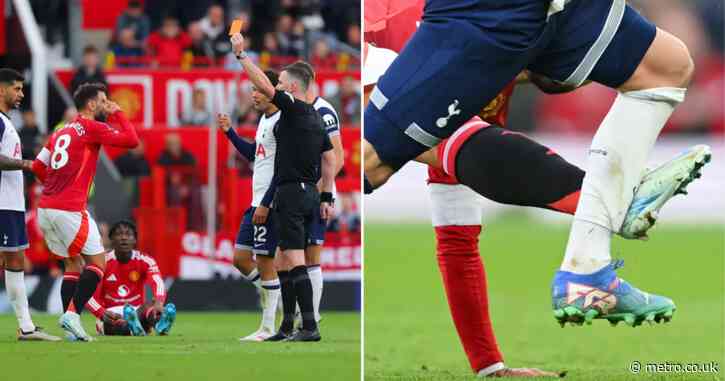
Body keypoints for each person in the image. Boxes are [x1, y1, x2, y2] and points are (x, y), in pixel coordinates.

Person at [363, 3, 711, 376]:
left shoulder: (496, 59)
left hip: (522, 17)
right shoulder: (399, 31)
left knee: (664, 66)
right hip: (406, 39)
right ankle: (596, 250)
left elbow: (457, 229)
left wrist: (489, 366)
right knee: (372, 160)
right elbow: (456, 230)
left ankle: (590, 265)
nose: (572, 76)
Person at [231, 32, 337, 342]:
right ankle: (286, 327)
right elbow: (329, 159)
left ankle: (309, 327)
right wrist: (327, 195)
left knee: (293, 261)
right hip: (309, 193)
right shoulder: (318, 118)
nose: (275, 88)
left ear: (291, 88)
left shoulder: (292, 108)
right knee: (281, 261)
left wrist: (241, 55)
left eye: (281, 84)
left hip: (290, 192)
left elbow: (264, 85)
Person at [32, 83, 140, 341]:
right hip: (70, 209)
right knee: (97, 264)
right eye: (103, 100)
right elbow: (131, 140)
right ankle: (71, 316)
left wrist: (54, 185)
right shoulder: (91, 127)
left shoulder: (60, 131)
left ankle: (71, 326)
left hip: (46, 208)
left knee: (72, 263)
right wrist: (117, 113)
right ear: (91, 105)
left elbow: (37, 166)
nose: (106, 104)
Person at [217, 70, 282, 341]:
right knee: (241, 260)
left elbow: (283, 167)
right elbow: (253, 154)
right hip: (255, 202)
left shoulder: (282, 122)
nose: (253, 95)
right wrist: (230, 132)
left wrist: (267, 203)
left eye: (257, 89)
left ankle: (267, 327)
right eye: (252, 90)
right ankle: (275, 293)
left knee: (266, 262)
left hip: (269, 203)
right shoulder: (264, 120)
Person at [0, 68, 60, 341]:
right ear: (2, 90)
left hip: (10, 203)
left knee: (15, 260)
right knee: (14, 260)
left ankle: (26, 327)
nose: (21, 94)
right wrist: (27, 164)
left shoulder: (7, 122)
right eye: (17, 88)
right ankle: (25, 327)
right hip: (2, 204)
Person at [87, 220, 176, 336]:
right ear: (111, 240)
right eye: (119, 234)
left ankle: (160, 324)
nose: (124, 238)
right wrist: (101, 312)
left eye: (128, 234)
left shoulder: (145, 260)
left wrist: (159, 302)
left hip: (137, 311)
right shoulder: (101, 262)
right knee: (120, 326)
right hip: (111, 312)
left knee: (149, 308)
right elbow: (88, 294)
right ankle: (135, 327)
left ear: (135, 240)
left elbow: (157, 282)